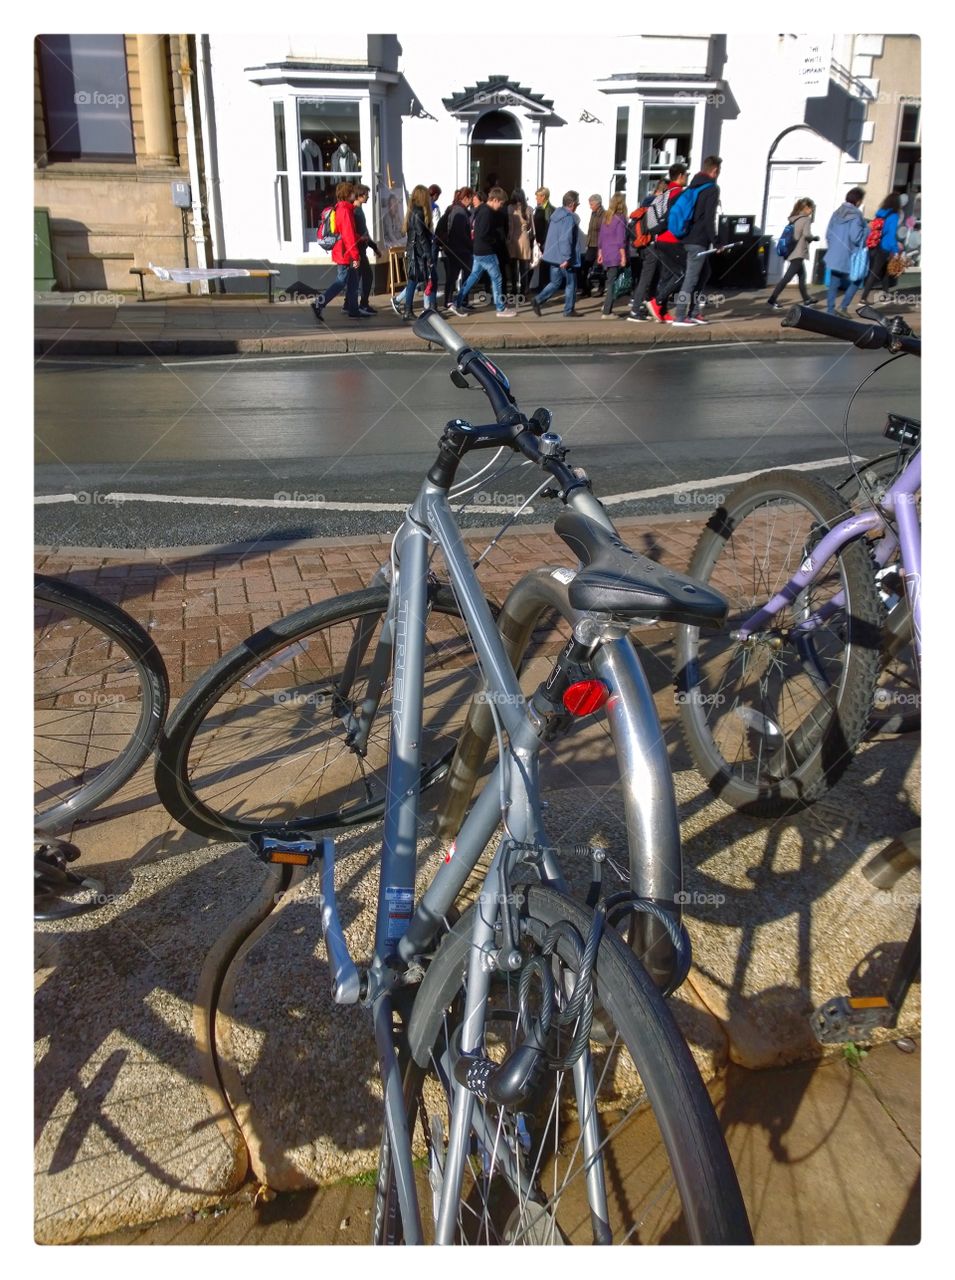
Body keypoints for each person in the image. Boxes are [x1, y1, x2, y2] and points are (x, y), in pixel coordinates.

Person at [657, 155, 722, 327]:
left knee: (703, 274)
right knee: (691, 279)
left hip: (687, 238)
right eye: (718, 171)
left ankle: (694, 312)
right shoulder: (711, 189)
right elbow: (709, 218)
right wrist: (716, 241)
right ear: (714, 170)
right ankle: (680, 316)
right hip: (698, 240)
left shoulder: (694, 186)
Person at [450, 187, 517, 318]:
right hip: (486, 251)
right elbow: (483, 234)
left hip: (478, 251)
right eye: (501, 203)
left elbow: (477, 232)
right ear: (495, 200)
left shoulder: (481, 210)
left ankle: (457, 302)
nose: (501, 206)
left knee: (473, 277)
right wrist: (494, 240)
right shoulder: (487, 213)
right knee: (497, 278)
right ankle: (500, 308)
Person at [627, 169, 685, 321]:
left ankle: (646, 305)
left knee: (651, 277)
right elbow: (657, 226)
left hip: (644, 244)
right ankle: (635, 310)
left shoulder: (649, 201)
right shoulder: (658, 202)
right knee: (647, 278)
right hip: (651, 244)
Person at [312, 181, 365, 322]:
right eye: (352, 192)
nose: (355, 194)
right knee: (341, 281)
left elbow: (347, 233)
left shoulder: (341, 208)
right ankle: (319, 303)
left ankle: (353, 310)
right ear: (348, 194)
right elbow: (347, 236)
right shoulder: (345, 211)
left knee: (353, 281)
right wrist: (355, 256)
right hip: (345, 253)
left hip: (343, 250)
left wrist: (360, 238)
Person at [531, 190, 582, 318]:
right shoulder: (568, 218)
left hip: (553, 257)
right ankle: (568, 310)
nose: (577, 206)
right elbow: (566, 239)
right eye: (577, 203)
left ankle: (537, 300)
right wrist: (567, 258)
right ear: (571, 204)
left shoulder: (555, 215)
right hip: (564, 258)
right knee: (571, 284)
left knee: (555, 282)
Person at [823, 187, 868, 316]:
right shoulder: (856, 215)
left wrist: (833, 248)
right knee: (857, 279)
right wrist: (867, 231)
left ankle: (830, 310)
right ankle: (843, 307)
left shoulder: (836, 212)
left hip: (834, 254)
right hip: (849, 255)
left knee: (834, 282)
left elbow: (828, 234)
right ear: (858, 201)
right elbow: (856, 237)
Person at [767, 199, 818, 309]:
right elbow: (807, 234)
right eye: (811, 209)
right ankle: (772, 299)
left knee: (802, 276)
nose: (812, 211)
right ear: (806, 208)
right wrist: (814, 238)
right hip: (798, 252)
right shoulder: (805, 220)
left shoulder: (794, 219)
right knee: (787, 278)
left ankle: (806, 299)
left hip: (791, 252)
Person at [395, 184, 435, 321]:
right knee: (414, 280)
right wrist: (429, 255)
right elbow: (422, 236)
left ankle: (408, 309)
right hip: (417, 252)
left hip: (413, 251)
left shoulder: (413, 212)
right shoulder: (418, 213)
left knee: (413, 280)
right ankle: (409, 310)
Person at [859, 192, 905, 306]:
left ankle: (886, 295)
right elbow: (891, 234)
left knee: (884, 270)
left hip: (874, 244)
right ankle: (863, 299)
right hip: (884, 247)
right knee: (874, 272)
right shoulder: (894, 216)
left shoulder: (880, 213)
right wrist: (895, 250)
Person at [436, 187, 473, 311]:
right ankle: (458, 300)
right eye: (471, 198)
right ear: (466, 198)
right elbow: (461, 234)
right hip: (460, 250)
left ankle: (451, 300)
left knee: (453, 276)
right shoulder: (460, 212)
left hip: (453, 249)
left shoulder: (454, 210)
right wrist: (471, 246)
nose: (472, 201)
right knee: (464, 275)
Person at [596, 193, 629, 317]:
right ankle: (607, 311)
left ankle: (607, 306)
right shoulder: (620, 218)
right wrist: (623, 256)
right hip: (616, 254)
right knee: (612, 284)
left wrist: (600, 252)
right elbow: (621, 239)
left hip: (606, 253)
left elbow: (601, 238)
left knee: (610, 281)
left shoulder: (606, 218)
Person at [350, 184, 379, 316]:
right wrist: (373, 246)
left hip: (360, 249)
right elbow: (361, 233)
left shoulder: (358, 210)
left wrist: (373, 246)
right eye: (366, 194)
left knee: (357, 277)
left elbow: (364, 232)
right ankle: (363, 304)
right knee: (367, 276)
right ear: (360, 195)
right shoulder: (356, 211)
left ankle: (348, 304)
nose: (368, 196)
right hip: (359, 250)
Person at [506, 188, 534, 303]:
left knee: (513, 268)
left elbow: (510, 227)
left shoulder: (509, 208)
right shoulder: (529, 209)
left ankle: (513, 289)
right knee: (524, 269)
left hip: (513, 240)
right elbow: (531, 228)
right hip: (524, 240)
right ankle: (523, 291)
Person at [580, 193, 605, 297]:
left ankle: (601, 288)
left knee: (600, 268)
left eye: (591, 204)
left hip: (600, 245)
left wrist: (602, 248)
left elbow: (604, 232)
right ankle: (587, 288)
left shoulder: (604, 214)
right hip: (591, 245)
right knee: (585, 267)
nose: (590, 206)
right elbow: (590, 230)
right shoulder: (593, 213)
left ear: (598, 204)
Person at [533, 187, 554, 292]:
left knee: (545, 265)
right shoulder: (538, 208)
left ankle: (543, 287)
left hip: (545, 242)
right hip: (539, 241)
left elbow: (547, 227)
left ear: (543, 196)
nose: (536, 198)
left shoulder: (550, 210)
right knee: (541, 264)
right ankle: (541, 285)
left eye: (537, 196)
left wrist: (543, 242)